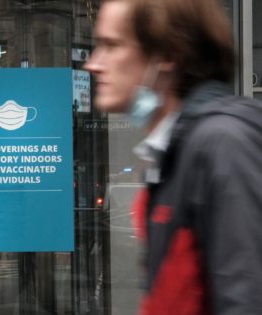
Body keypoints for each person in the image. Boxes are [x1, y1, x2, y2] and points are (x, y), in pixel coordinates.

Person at [84, 0, 262, 314]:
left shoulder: (222, 144)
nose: (93, 63)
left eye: (111, 46)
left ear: (167, 55)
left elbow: (245, 296)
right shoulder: (176, 150)